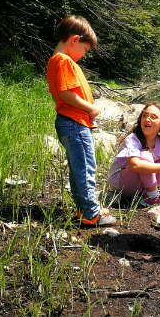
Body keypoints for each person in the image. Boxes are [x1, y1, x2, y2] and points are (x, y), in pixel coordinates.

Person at [46, 15, 116, 227]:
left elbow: (59, 95)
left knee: (79, 168)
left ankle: (83, 208)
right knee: (85, 167)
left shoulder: (57, 61)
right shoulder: (63, 61)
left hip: (71, 122)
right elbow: (66, 94)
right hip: (75, 123)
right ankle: (91, 214)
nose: (84, 55)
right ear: (74, 40)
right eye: (85, 49)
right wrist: (91, 108)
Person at [108, 102, 160, 211]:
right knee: (145, 155)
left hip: (140, 187)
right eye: (145, 115)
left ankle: (147, 193)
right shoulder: (133, 139)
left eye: (153, 117)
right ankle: (153, 198)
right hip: (121, 183)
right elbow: (134, 165)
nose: (147, 119)